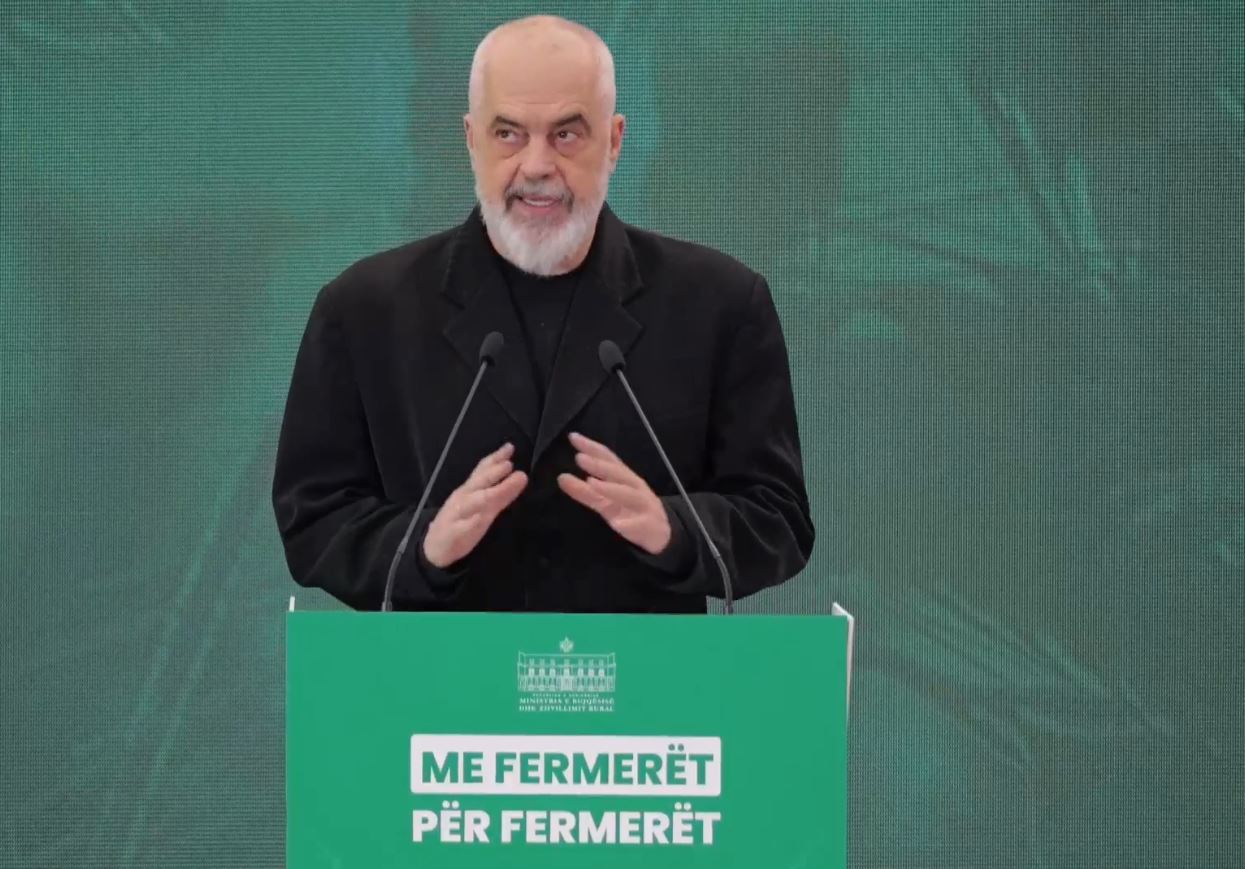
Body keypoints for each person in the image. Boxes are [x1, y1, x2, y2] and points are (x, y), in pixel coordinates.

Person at [271, 15, 814, 613]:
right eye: (508, 134)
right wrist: (421, 546)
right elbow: (313, 518)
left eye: (566, 134)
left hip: (640, 671)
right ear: (471, 139)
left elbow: (778, 519)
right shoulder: (363, 310)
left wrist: (674, 529)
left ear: (614, 141)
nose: (536, 166)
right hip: (443, 671)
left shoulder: (722, 303)